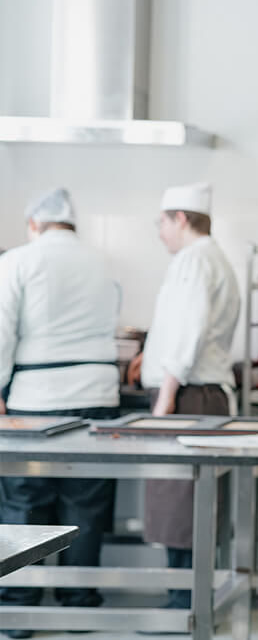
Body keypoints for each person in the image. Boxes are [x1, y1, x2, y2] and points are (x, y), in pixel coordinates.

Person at [0, 188, 120, 638]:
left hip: (36, 397)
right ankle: (80, 601)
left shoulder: (18, 260)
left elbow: (1, 329)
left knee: (25, 500)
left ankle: (19, 605)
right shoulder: (102, 261)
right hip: (97, 394)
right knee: (85, 500)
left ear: (34, 223)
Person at [128, 181, 240, 613]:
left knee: (183, 507)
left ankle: (182, 609)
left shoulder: (194, 260)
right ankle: (188, 603)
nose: (159, 233)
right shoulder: (213, 259)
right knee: (191, 506)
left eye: (161, 222)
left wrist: (165, 397)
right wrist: (149, 355)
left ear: (180, 218)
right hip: (198, 395)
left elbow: (190, 332)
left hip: (188, 399)